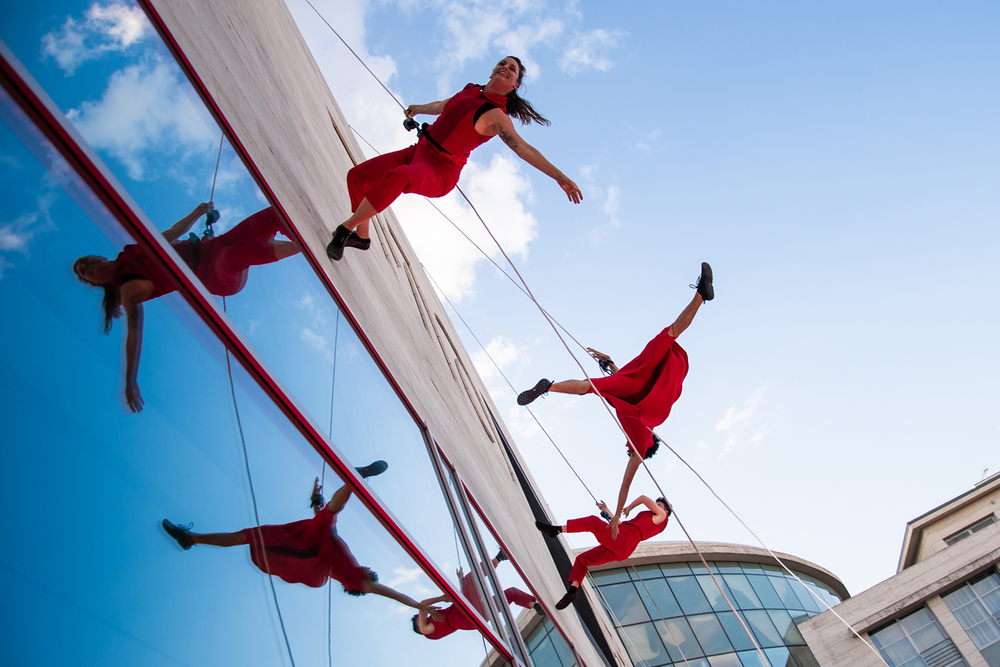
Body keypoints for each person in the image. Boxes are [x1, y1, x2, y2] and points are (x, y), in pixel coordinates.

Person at [517, 263, 713, 540]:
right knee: (597, 385)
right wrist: (617, 516)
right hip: (646, 401)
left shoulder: (632, 430)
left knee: (662, 340)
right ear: (651, 442)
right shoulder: (640, 447)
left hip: (635, 389)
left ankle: (551, 386)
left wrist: (607, 362)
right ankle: (702, 296)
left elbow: (624, 377)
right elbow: (626, 484)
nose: (624, 444)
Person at [326, 56, 583, 261]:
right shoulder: (471, 89)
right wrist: (419, 107)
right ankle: (362, 235)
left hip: (441, 171)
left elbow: (523, 148)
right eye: (502, 63)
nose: (504, 67)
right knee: (357, 177)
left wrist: (560, 177)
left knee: (400, 177)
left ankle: (344, 229)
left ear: (515, 85)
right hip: (419, 150)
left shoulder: (496, 115)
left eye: (512, 69)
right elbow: (443, 105)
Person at [74, 204, 299, 412]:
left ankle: (313, 241)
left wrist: (197, 212)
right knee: (232, 256)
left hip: (215, 245)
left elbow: (172, 233)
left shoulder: (134, 252)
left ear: (98, 257)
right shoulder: (127, 289)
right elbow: (133, 331)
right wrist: (129, 380)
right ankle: (303, 248)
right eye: (84, 272)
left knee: (272, 216)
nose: (86, 267)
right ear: (96, 283)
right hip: (214, 275)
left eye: (84, 262)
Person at [161, 463, 440, 618]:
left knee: (332, 510)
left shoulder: (359, 582)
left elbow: (392, 593)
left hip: (313, 553)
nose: (370, 570)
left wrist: (419, 606)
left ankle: (358, 477)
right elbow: (323, 527)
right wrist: (315, 502)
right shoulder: (353, 567)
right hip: (314, 538)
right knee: (249, 535)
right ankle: (190, 538)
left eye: (371, 573)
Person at [536, 495, 671, 609]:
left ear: (665, 510)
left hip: (625, 540)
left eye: (658, 504)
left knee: (592, 521)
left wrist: (629, 507)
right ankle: (573, 590)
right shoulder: (647, 520)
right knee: (582, 560)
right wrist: (607, 510)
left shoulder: (661, 516)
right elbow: (620, 525)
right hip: (622, 544)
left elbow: (643, 498)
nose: (654, 505)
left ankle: (556, 530)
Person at [412, 551, 541, 640]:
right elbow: (422, 605)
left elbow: (463, 600)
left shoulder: (441, 617)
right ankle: (498, 558)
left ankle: (534, 605)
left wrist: (460, 581)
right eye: (420, 619)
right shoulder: (426, 631)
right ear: (420, 628)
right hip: (468, 616)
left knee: (510, 594)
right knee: (471, 580)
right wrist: (440, 598)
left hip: (475, 616)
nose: (425, 616)